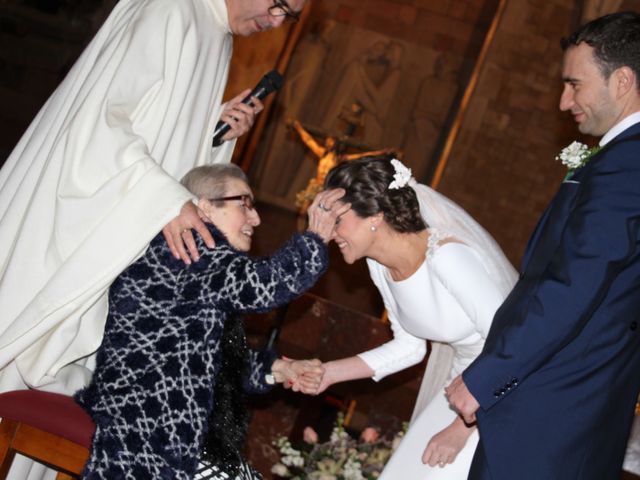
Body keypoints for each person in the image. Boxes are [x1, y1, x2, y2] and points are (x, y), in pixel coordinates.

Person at [0, 0, 306, 400]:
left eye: (290, 15)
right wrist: (166, 201)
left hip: (125, 237)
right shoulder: (172, 9)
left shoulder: (217, 35)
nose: (277, 21)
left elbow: (167, 148)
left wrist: (216, 132)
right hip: (77, 231)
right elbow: (99, 124)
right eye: (278, 3)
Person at [446, 11, 640, 480]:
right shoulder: (621, 158)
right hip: (566, 413)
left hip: (553, 417)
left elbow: (573, 285)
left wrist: (488, 376)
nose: (562, 101)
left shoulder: (627, 164)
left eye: (574, 84)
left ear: (623, 81)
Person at [74, 163, 346, 479]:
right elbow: (263, 285)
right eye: (244, 203)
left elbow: (211, 360)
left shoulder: (201, 262)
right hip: (147, 432)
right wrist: (316, 235)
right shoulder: (187, 249)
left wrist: (277, 369)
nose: (256, 218)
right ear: (203, 208)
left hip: (163, 430)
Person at [308, 156, 517, 479]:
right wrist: (329, 373)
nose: (331, 233)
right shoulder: (380, 266)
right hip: (457, 394)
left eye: (338, 220)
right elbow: (410, 347)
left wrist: (461, 429)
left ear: (375, 216)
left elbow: (509, 343)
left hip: (497, 396)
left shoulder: (448, 256)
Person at [291, 119, 391, 213]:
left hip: (326, 187)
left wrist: (381, 152)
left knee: (321, 210)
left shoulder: (340, 159)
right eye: (327, 140)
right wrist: (298, 127)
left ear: (335, 144)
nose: (327, 142)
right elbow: (309, 141)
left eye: (330, 141)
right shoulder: (322, 153)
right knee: (304, 209)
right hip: (316, 184)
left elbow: (362, 156)